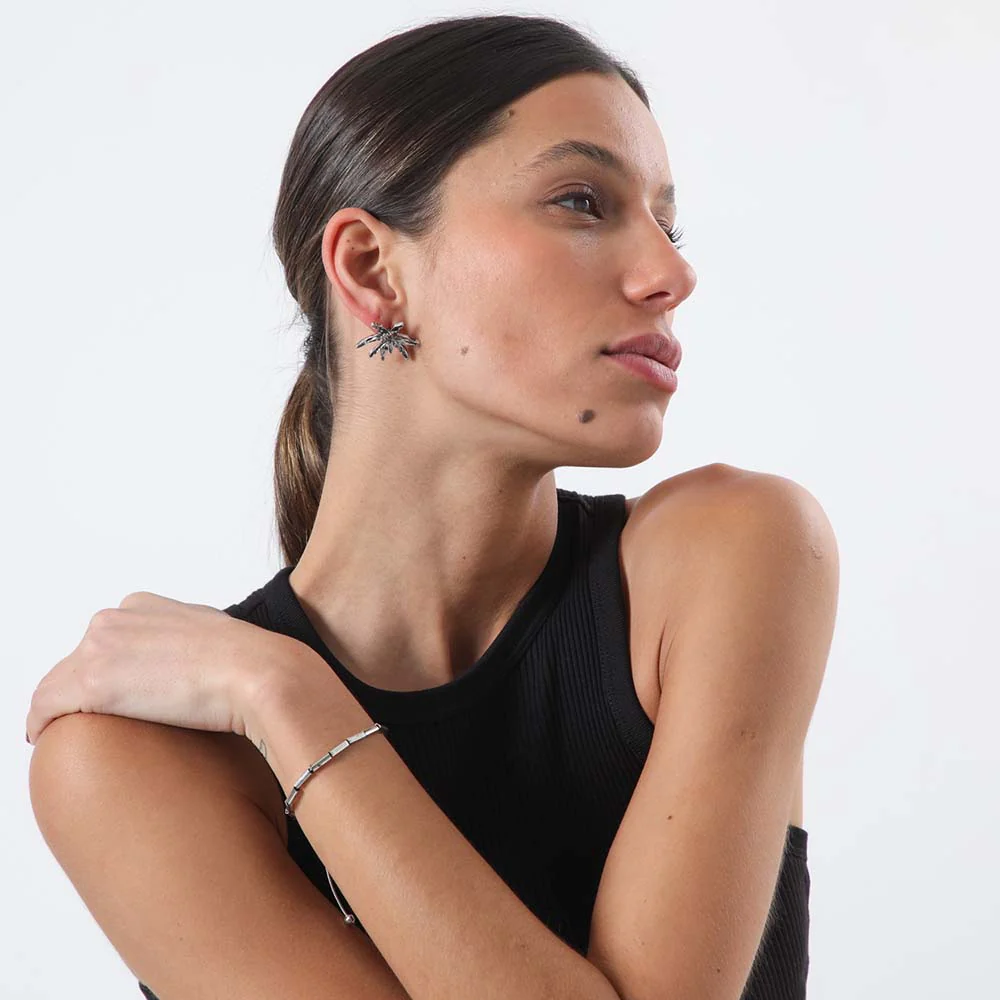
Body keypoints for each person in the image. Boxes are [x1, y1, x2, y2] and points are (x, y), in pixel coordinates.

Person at [29, 13, 836, 1000]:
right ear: (373, 269)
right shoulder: (133, 756)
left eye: (667, 224)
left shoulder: (732, 553)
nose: (671, 273)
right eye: (583, 202)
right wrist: (272, 691)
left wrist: (288, 698)